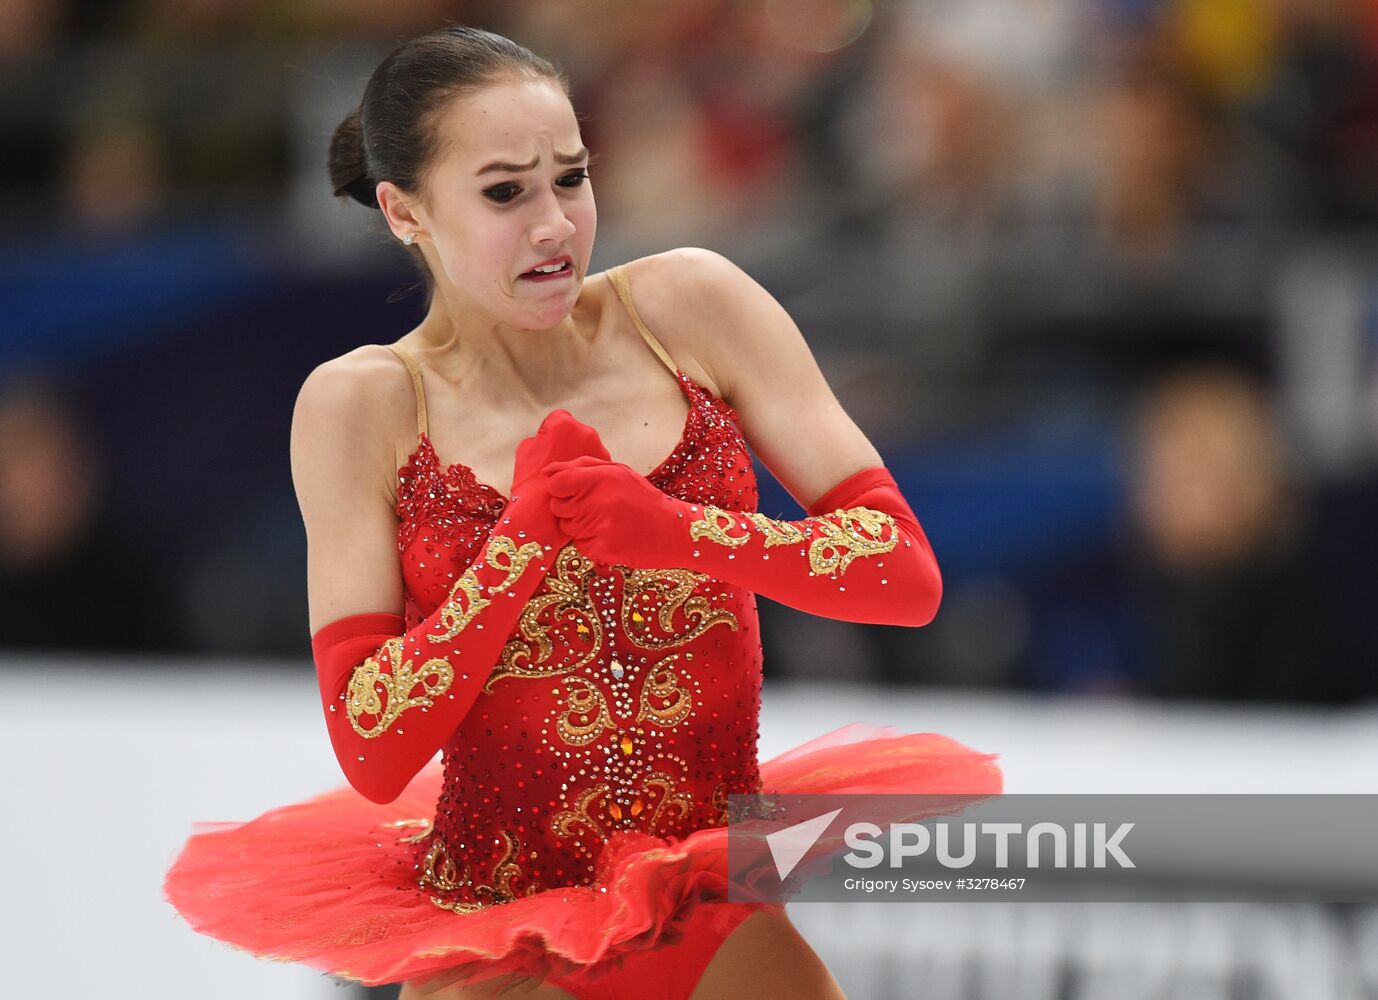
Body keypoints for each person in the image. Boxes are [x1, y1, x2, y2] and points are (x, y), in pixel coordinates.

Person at [162, 25, 1002, 1000]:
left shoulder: (691, 306)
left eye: (570, 176)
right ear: (405, 211)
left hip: (714, 916)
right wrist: (517, 546)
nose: (555, 223)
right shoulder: (364, 406)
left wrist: (672, 530)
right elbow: (371, 743)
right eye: (505, 192)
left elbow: (905, 574)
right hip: (502, 938)